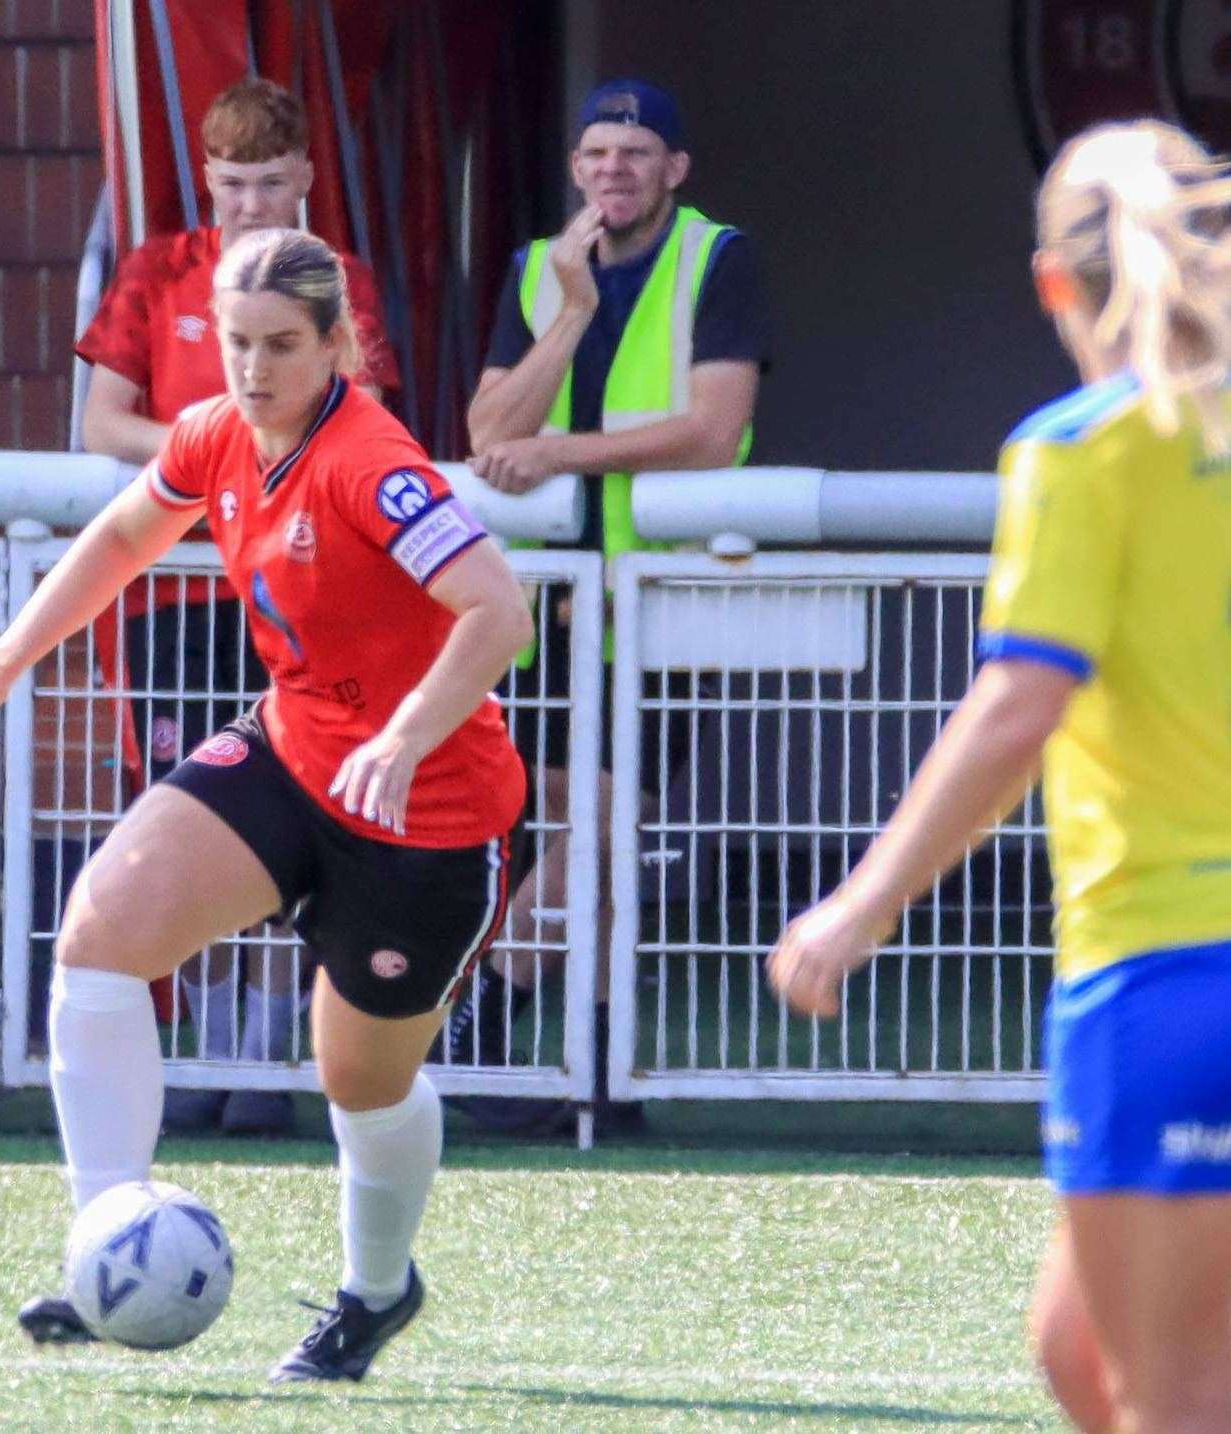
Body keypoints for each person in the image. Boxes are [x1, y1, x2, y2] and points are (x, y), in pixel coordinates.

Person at [0, 228, 532, 1381]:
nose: (253, 370)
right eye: (237, 343)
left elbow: (496, 612)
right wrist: (11, 654)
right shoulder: (213, 432)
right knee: (102, 935)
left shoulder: (372, 460)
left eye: (282, 347)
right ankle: (107, 1246)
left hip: (429, 814)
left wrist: (405, 741)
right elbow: (124, 535)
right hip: (295, 751)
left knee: (361, 1082)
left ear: (337, 344)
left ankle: (375, 1292)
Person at [769, 120, 1231, 1434]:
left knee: (1172, 1397)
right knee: (1078, 1350)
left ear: (1050, 283)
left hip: (1167, 965)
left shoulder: (1085, 445)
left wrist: (858, 904)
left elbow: (1020, 697)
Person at [74, 76, 402, 1136]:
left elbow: (368, 419)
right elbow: (104, 424)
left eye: (270, 182)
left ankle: (263, 1056)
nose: (252, 204)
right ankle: (206, 1045)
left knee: (285, 819)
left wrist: (260, 459)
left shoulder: (336, 280)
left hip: (297, 596)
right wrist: (217, 457)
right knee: (189, 815)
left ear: (305, 178)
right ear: (207, 185)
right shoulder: (155, 272)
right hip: (179, 596)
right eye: (233, 186)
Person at [454, 77, 767, 1129]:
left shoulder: (719, 258)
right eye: (595, 155)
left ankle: (498, 1015)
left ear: (675, 170)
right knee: (595, 828)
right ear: (576, 171)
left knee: (606, 828)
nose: (612, 172)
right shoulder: (541, 271)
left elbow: (712, 430)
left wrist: (557, 455)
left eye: (634, 153)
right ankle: (584, 1065)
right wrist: (571, 313)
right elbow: (488, 428)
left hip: (663, 593)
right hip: (549, 595)